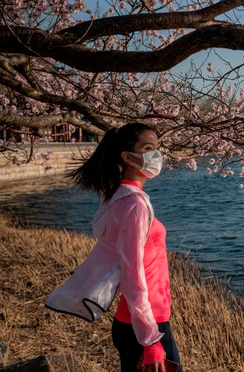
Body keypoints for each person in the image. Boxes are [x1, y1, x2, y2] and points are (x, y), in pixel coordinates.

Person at [45, 123, 182, 372]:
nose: (156, 156)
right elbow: (132, 275)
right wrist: (150, 340)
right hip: (146, 325)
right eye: (148, 148)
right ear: (128, 157)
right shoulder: (134, 205)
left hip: (135, 321)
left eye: (157, 149)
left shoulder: (116, 196)